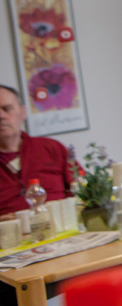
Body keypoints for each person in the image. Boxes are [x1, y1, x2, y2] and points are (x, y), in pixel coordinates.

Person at [0, 84, 76, 220]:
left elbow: (83, 191)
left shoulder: (52, 148)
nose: (1, 116)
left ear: (23, 112)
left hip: (63, 230)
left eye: (7, 109)